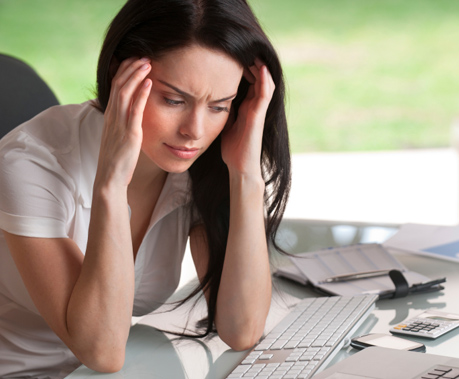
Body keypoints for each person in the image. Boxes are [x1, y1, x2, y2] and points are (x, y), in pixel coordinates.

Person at [0, 0, 291, 376]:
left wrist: (246, 174)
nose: (195, 131)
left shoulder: (195, 166)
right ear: (119, 75)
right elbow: (102, 351)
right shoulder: (29, 164)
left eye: (220, 106)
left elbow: (242, 328)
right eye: (173, 100)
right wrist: (112, 184)